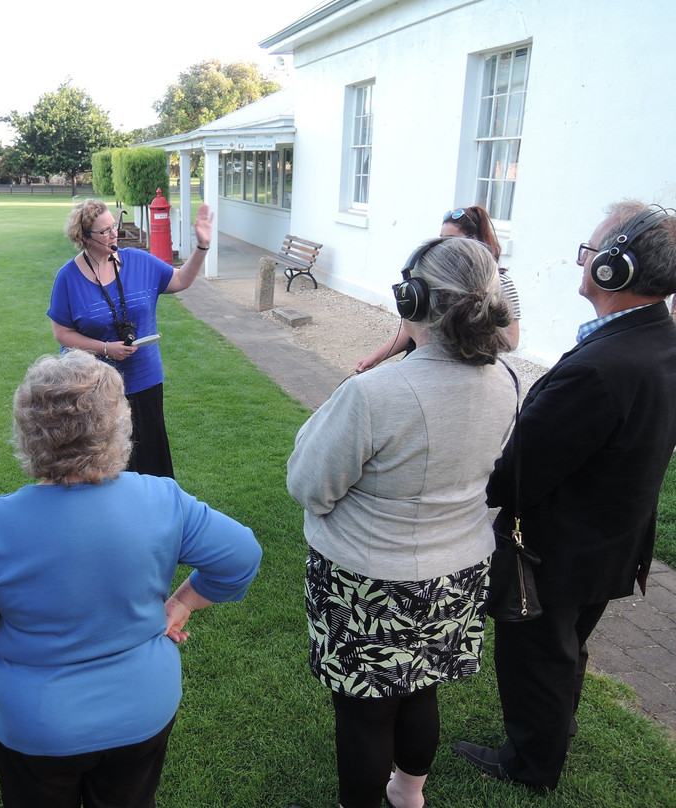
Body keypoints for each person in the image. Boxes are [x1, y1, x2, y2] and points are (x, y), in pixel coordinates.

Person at [0, 349, 262, 808]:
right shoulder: (161, 498)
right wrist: (182, 603)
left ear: (29, 430)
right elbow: (241, 556)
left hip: (38, 724)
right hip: (143, 709)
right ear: (117, 424)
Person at [287, 237, 517, 808]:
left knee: (365, 714)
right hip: (457, 572)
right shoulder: (506, 381)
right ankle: (409, 794)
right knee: (420, 688)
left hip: (369, 581)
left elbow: (309, 486)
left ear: (412, 298)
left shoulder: (374, 393)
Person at [453, 201, 676, 791]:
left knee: (537, 656)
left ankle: (532, 765)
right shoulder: (658, 338)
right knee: (567, 647)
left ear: (615, 268)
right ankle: (555, 728)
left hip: (560, 549)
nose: (583, 261)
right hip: (614, 538)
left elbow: (516, 474)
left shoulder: (601, 367)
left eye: (591, 251)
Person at [47, 198, 214, 478]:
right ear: (84, 237)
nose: (114, 234)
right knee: (105, 462)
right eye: (105, 231)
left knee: (150, 459)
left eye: (114, 226)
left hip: (144, 380)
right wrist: (105, 348)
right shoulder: (68, 277)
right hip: (93, 387)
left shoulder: (138, 261)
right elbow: (62, 333)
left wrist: (202, 246)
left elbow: (181, 280)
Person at [355, 205, 521, 372]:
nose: (443, 246)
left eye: (450, 240)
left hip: (461, 366)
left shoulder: (500, 282)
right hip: (422, 358)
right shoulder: (436, 276)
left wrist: (471, 344)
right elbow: (419, 323)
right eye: (441, 239)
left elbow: (512, 341)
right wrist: (377, 356)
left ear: (473, 240)